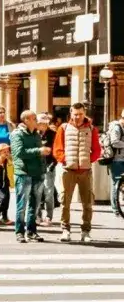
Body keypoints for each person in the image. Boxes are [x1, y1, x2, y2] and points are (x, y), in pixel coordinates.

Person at [53, 101, 100, 243]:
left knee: (87, 203)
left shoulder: (92, 129)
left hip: (85, 171)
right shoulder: (64, 128)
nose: (78, 117)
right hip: (68, 170)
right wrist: (65, 160)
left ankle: (86, 231)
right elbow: (57, 148)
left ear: (84, 113)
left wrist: (88, 160)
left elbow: (97, 149)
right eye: (75, 114)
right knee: (65, 202)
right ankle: (65, 229)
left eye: (80, 114)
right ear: (71, 114)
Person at [11, 109, 49, 243]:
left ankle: (32, 231)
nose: (36, 121)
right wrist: (39, 151)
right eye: (33, 118)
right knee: (22, 205)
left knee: (35, 204)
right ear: (26, 120)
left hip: (38, 173)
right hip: (24, 173)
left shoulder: (36, 135)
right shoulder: (17, 134)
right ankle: (19, 232)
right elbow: (19, 153)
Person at [39, 113, 59, 223]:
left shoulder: (53, 134)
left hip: (48, 165)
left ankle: (49, 215)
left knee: (48, 191)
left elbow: (57, 150)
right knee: (37, 192)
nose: (38, 125)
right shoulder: (34, 133)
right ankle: (37, 215)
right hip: (36, 165)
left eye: (40, 123)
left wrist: (53, 164)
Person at [107, 107, 124, 218]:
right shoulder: (117, 127)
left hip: (122, 158)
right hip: (117, 160)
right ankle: (116, 209)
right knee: (116, 183)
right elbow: (114, 142)